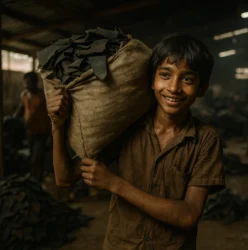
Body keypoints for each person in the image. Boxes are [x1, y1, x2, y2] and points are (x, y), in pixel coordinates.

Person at [46, 34, 225, 250]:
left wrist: (115, 184)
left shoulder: (206, 140)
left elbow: (188, 216)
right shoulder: (125, 126)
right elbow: (65, 178)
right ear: (152, 80)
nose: (174, 88)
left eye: (187, 79)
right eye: (165, 75)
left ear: (202, 88)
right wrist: (57, 126)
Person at [14, 71, 50, 182]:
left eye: (29, 83)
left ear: (35, 82)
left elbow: (49, 115)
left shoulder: (42, 96)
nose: (26, 85)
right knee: (32, 157)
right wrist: (13, 118)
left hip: (41, 132)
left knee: (37, 158)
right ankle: (34, 180)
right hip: (29, 132)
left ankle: (38, 181)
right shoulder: (24, 95)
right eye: (25, 83)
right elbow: (21, 109)